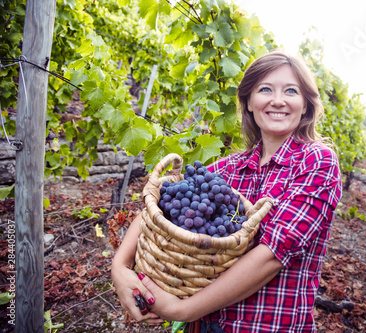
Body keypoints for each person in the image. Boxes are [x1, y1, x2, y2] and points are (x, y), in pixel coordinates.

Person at [111, 50, 342, 332]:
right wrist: (119, 268)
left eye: (291, 91)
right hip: (204, 325)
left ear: (306, 105)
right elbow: (158, 206)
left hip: (265, 326)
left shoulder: (317, 161)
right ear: (248, 103)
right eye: (265, 89)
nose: (278, 100)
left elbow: (272, 256)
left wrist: (179, 309)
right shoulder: (228, 168)